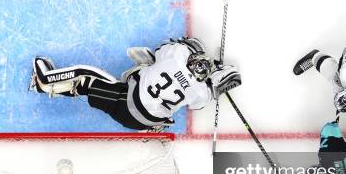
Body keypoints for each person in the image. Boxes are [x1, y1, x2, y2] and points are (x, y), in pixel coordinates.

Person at [28, 37, 241, 131]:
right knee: (101, 86)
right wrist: (219, 74)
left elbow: (170, 46)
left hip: (126, 105)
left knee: (87, 77)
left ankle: (45, 80)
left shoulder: (176, 56)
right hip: (147, 120)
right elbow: (225, 83)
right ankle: (42, 87)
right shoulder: (199, 92)